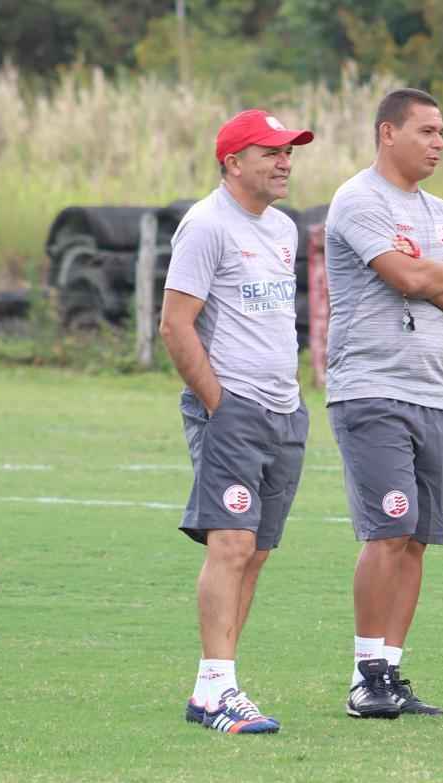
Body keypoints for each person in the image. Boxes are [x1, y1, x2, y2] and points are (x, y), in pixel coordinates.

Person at [325, 88, 443, 720]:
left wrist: (433, 271)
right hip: (370, 387)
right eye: (426, 130)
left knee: (417, 538)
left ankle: (390, 672)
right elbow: (410, 280)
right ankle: (364, 674)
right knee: (388, 527)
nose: (439, 142)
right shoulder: (357, 200)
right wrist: (439, 274)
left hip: (432, 391)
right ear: (387, 133)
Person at [160, 109, 314, 734]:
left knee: (256, 552)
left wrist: (287, 400)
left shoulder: (282, 228)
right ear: (232, 162)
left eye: (289, 152)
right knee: (231, 544)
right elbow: (175, 324)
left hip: (284, 410)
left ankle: (209, 691)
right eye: (270, 151)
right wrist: (220, 403)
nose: (284, 162)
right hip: (233, 409)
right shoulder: (205, 225)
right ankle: (222, 691)